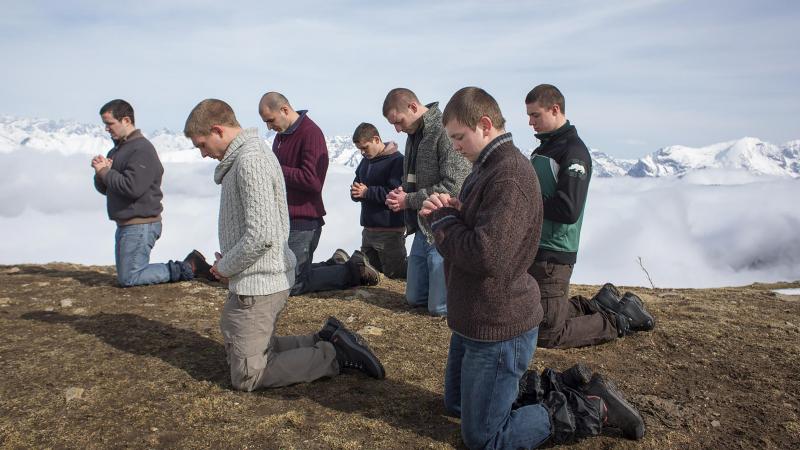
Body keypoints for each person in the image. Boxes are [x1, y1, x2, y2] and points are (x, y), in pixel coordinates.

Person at [420, 87, 644, 449]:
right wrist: (454, 211)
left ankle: (587, 407)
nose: (456, 146)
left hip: (498, 324)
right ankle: (552, 386)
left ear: (485, 125)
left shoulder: (507, 175)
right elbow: (483, 230)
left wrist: (443, 222)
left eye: (459, 137)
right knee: (457, 404)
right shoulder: (487, 167)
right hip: (476, 317)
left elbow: (487, 255)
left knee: (485, 439)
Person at [184, 98, 384, 391]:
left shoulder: (250, 161)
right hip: (255, 277)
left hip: (260, 282)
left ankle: (335, 355)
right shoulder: (246, 157)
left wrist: (226, 266)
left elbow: (261, 235)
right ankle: (326, 339)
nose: (203, 154)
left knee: (248, 375)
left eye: (202, 144)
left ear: (217, 130)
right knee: (247, 349)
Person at [525, 84, 655, 349]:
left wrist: (525, 204)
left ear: (555, 109)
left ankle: (618, 319)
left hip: (554, 252)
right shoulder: (543, 150)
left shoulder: (573, 152)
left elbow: (568, 209)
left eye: (535, 115)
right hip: (537, 247)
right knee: (531, 316)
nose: (530, 122)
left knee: (547, 334)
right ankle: (597, 304)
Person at [258, 92, 379, 295]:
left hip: (303, 221)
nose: (269, 127)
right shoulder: (281, 137)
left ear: (285, 110)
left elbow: (312, 180)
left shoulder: (310, 133)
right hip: (284, 219)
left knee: (292, 283)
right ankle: (336, 263)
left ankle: (353, 271)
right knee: (284, 275)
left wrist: (275, 168)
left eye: (270, 120)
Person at [91, 99, 210, 287]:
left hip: (140, 224)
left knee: (130, 277)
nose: (107, 129)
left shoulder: (141, 149)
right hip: (127, 224)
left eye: (110, 124)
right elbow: (107, 188)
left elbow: (132, 188)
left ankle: (189, 266)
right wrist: (101, 174)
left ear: (126, 121)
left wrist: (105, 172)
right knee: (127, 275)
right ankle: (190, 264)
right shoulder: (117, 149)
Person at [382, 88, 471, 315]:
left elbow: (453, 186)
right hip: (423, 225)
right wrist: (403, 191)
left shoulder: (443, 130)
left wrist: (408, 200)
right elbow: (414, 178)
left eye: (399, 121)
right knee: (414, 299)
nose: (397, 129)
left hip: (445, 224)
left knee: (439, 308)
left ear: (413, 107)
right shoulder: (414, 135)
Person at [350, 122, 407, 279]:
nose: (362, 152)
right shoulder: (365, 161)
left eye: (365, 147)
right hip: (368, 231)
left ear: (376, 139)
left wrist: (367, 192)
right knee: (370, 276)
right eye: (359, 149)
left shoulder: (397, 161)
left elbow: (396, 193)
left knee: (396, 276)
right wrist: (355, 193)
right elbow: (357, 186)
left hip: (390, 232)